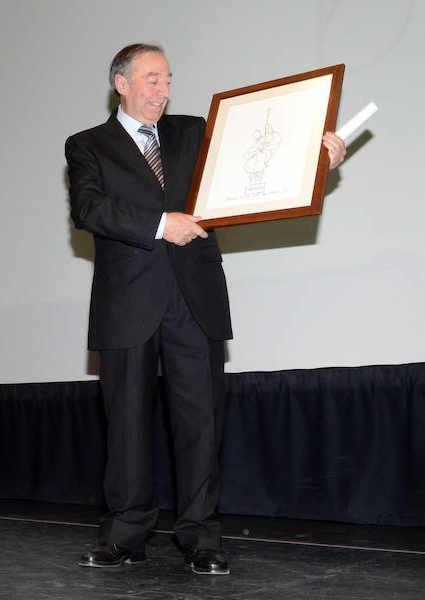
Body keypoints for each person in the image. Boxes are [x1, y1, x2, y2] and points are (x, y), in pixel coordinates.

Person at [65, 43, 346, 576]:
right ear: (121, 83)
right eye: (151, 80)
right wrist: (160, 223)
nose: (163, 91)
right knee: (126, 425)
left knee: (201, 423)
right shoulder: (86, 145)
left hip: (194, 297)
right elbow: (89, 207)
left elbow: (255, 165)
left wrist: (317, 159)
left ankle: (201, 537)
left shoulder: (195, 132)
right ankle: (124, 535)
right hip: (128, 301)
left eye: (168, 80)